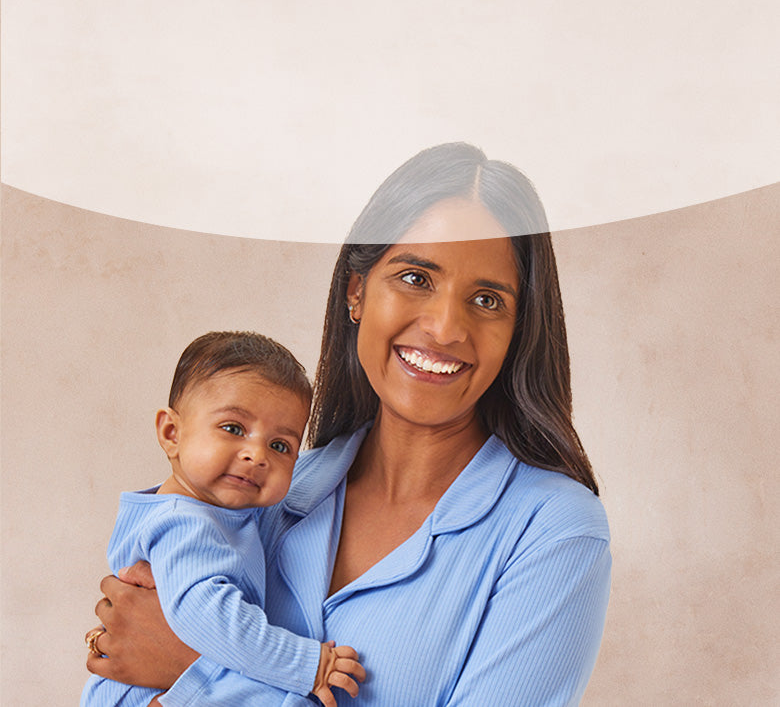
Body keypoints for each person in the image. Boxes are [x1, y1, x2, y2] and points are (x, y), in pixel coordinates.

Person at [86, 142, 612, 706]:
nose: (444, 328)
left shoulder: (554, 531)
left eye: (486, 299)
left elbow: (165, 650)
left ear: (517, 332)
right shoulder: (265, 486)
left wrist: (191, 667)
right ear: (356, 291)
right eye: (415, 278)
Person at [82, 331, 365, 707]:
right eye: (233, 429)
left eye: (280, 445)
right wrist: (306, 664)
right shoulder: (185, 524)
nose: (256, 454)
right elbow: (207, 617)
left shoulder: (223, 517)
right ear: (172, 433)